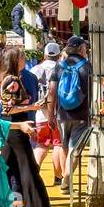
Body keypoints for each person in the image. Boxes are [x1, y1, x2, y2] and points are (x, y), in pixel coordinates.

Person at [0, 43, 52, 207]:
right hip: (16, 129)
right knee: (28, 168)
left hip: (10, 129)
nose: (24, 60)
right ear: (14, 60)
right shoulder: (13, 81)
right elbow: (7, 110)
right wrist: (32, 106)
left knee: (3, 168)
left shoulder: (6, 78)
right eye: (21, 57)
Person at [56, 35, 92, 195]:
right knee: (75, 149)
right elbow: (93, 91)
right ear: (80, 48)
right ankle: (67, 179)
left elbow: (51, 91)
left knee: (65, 146)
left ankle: (66, 180)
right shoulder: (87, 66)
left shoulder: (60, 66)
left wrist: (50, 114)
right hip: (81, 114)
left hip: (62, 113)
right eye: (85, 47)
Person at [30, 41, 64, 185]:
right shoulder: (62, 69)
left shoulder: (35, 69)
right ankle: (58, 177)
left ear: (44, 54)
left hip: (39, 113)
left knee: (41, 144)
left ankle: (34, 172)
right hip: (58, 113)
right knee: (58, 144)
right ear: (58, 55)